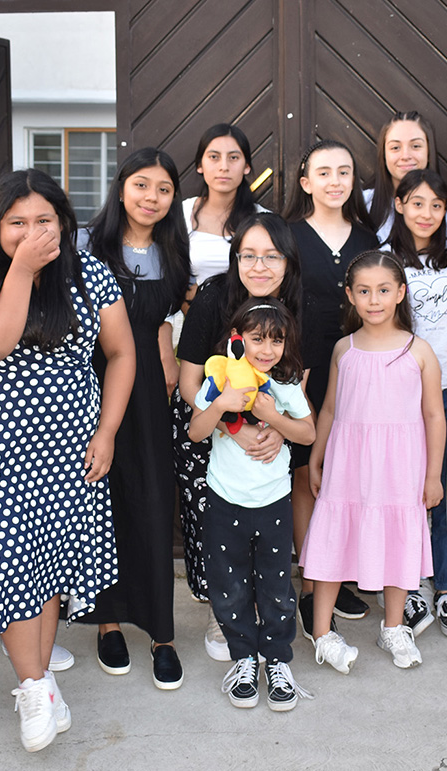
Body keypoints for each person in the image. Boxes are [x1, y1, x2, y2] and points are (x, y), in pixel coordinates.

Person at [0, 169, 135, 751]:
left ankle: (41, 680)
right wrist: (23, 271)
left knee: (47, 568)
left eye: (44, 221)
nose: (31, 233)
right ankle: (32, 687)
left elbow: (122, 353)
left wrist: (107, 432)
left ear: (64, 222)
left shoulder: (90, 274)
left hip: (71, 448)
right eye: (17, 223)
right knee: (7, 570)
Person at [76, 148, 190, 689]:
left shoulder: (173, 251)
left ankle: (162, 633)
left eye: (163, 189)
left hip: (148, 388)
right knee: (102, 499)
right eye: (142, 185)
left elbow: (166, 316)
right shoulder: (86, 245)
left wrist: (166, 345)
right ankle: (108, 622)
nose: (152, 197)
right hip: (89, 379)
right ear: (121, 188)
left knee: (151, 498)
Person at [302, 251, 445, 672]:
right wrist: (316, 457)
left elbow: (434, 415)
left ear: (400, 293)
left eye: (383, 290)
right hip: (348, 464)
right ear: (350, 295)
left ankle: (394, 626)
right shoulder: (343, 349)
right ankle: (323, 632)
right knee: (334, 538)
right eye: (363, 291)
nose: (374, 300)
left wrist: (433, 475)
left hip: (400, 467)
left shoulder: (419, 351)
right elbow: (330, 408)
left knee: (398, 539)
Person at [174, 212, 304, 662]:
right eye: (248, 256)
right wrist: (234, 426)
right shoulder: (213, 297)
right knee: (217, 532)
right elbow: (188, 383)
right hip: (211, 425)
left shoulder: (297, 301)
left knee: (267, 535)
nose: (259, 266)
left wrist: (277, 430)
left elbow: (298, 383)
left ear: (288, 261)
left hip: (273, 434)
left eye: (271, 256)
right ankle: (223, 608)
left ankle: (267, 618)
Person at [188, 297, 316, 711]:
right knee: (230, 587)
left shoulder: (284, 383)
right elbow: (195, 431)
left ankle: (277, 660)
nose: (267, 349)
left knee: (276, 587)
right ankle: (243, 658)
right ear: (238, 339)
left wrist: (272, 415)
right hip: (225, 500)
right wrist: (221, 405)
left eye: (277, 340)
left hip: (273, 501)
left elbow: (308, 433)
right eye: (258, 339)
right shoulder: (220, 380)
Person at [282, 139, 380, 629]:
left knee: (346, 477)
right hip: (304, 370)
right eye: (323, 172)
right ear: (306, 182)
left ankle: (336, 579)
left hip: (359, 370)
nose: (335, 181)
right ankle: (310, 583)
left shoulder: (366, 238)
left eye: (344, 171)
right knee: (306, 475)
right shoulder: (288, 236)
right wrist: (290, 377)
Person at [386, 168, 447, 639]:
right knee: (405, 490)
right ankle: (410, 584)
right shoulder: (385, 259)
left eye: (436, 206)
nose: (426, 213)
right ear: (399, 205)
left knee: (444, 488)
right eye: (417, 203)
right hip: (400, 391)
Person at [183, 123, 265, 286]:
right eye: (214, 157)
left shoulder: (264, 220)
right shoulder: (182, 213)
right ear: (200, 165)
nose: (224, 167)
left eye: (233, 158)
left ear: (246, 166)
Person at [364, 110, 447, 244]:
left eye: (415, 146)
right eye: (395, 147)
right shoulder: (364, 205)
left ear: (428, 151)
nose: (405, 156)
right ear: (384, 154)